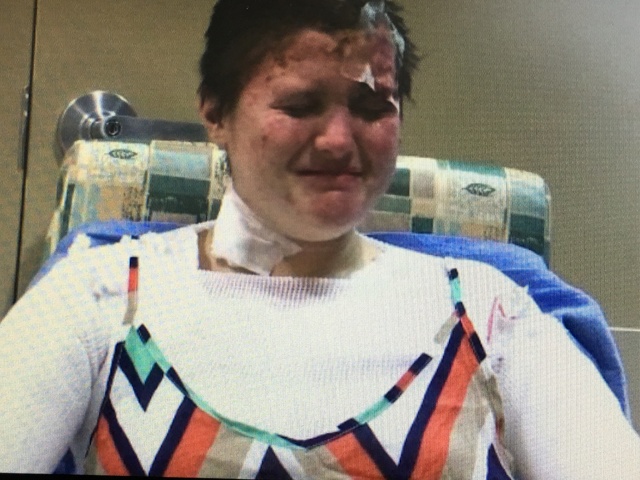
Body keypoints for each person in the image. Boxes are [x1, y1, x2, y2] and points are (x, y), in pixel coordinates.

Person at [1, 0, 639, 477]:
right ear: (215, 112)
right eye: (300, 104)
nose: (338, 141)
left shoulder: (490, 312)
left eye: (372, 107)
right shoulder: (100, 298)